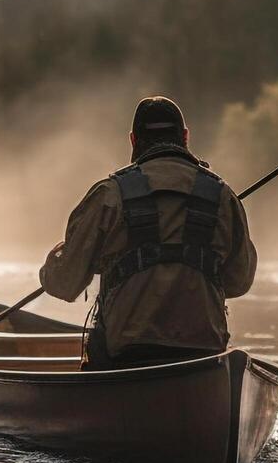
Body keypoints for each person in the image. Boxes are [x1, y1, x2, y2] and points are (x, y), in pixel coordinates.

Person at [40, 96, 256, 369]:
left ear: (133, 140)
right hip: (204, 355)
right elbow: (240, 282)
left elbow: (65, 284)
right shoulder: (222, 197)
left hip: (125, 356)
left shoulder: (109, 195)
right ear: (185, 137)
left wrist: (52, 264)